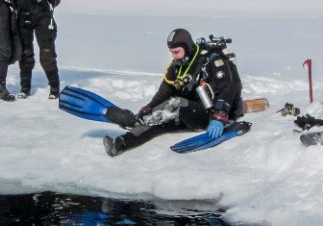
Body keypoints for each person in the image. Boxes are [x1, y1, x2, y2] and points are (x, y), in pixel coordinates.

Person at [102, 28, 244, 157]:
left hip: (211, 115)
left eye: (176, 52)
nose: (174, 56)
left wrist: (219, 117)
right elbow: (164, 93)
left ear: (187, 47)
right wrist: (148, 109)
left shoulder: (211, 60)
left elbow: (228, 88)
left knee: (175, 104)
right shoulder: (177, 67)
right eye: (172, 52)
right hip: (188, 112)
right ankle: (121, 143)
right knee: (157, 122)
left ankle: (133, 121)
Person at [4, 0, 67, 99]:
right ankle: (25, 89)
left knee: (47, 53)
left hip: (42, 16)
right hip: (22, 19)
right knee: (26, 55)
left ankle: (54, 88)